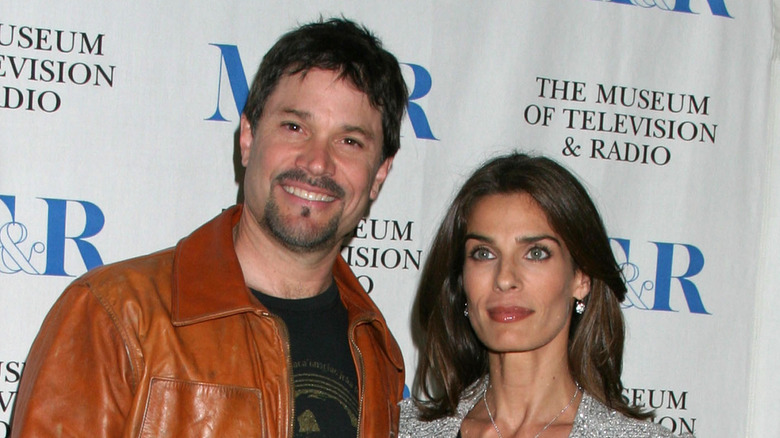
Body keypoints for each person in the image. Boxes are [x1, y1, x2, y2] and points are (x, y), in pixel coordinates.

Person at [11, 18, 408, 437]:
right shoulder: (115, 317)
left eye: (350, 141)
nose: (316, 162)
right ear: (248, 137)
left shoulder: (376, 352)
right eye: (294, 127)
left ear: (379, 174)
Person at [399, 153, 693, 437]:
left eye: (536, 253)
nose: (504, 278)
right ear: (461, 278)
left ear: (581, 277)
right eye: (484, 253)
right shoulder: (400, 430)